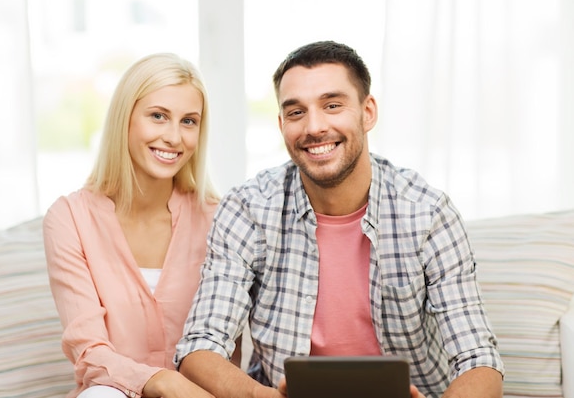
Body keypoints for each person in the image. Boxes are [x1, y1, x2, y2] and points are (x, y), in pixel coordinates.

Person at [174, 41, 505, 398]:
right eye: (296, 112)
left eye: (332, 105)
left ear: (368, 112)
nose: (314, 127)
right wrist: (261, 397)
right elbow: (198, 346)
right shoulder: (248, 209)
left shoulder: (427, 212)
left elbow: (478, 360)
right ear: (282, 123)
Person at [43, 53, 221, 398]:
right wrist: (163, 381)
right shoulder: (70, 218)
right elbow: (90, 352)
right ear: (125, 119)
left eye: (188, 121)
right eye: (158, 116)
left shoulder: (218, 219)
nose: (174, 137)